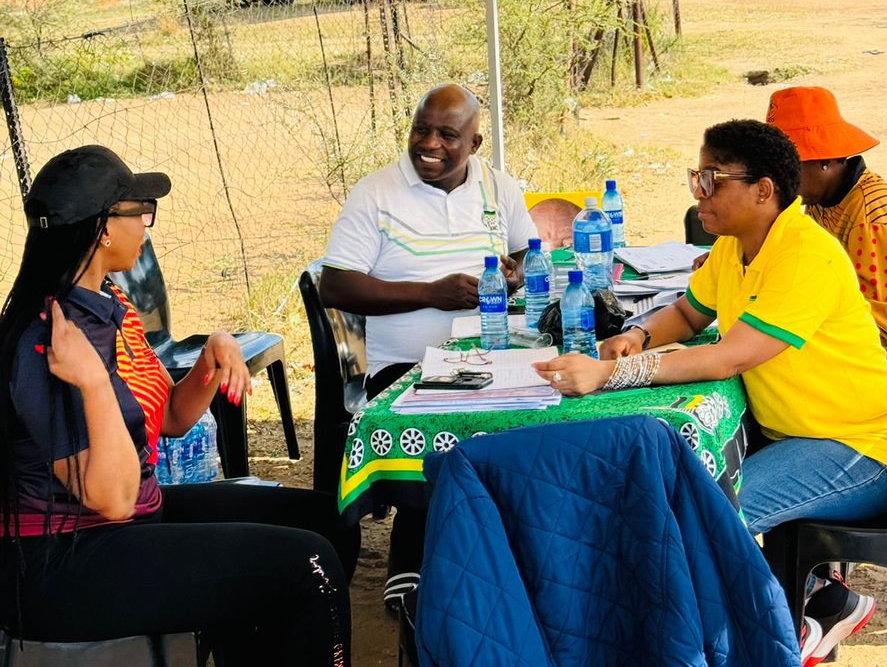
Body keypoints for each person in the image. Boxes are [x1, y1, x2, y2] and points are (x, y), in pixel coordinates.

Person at [535, 120, 887, 667]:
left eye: (712, 179)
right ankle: (816, 605)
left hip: (861, 448)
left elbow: (730, 356)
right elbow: (686, 312)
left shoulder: (806, 256)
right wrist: (635, 336)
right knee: (675, 484)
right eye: (696, 177)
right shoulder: (734, 247)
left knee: (705, 511)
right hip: (791, 436)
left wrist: (608, 376)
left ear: (763, 190)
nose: (699, 193)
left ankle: (766, 634)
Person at [0, 145, 355, 666]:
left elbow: (170, 418)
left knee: (331, 517)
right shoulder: (48, 342)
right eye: (139, 212)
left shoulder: (108, 303)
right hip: (62, 563)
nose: (147, 225)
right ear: (103, 229)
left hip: (130, 520)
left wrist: (214, 354)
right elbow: (112, 499)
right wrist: (96, 385)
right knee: (308, 562)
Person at [320, 83, 536, 610]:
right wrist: (431, 294)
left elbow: (526, 257)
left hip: (490, 353)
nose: (429, 144)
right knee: (446, 431)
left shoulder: (498, 188)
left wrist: (515, 274)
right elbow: (336, 285)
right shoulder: (375, 193)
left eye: (447, 134)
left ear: (475, 144)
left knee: (539, 416)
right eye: (421, 129)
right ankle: (413, 559)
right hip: (405, 369)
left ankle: (505, 559)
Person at [766, 85, 887, 378]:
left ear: (824, 160)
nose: (778, 181)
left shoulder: (871, 219)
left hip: (883, 366)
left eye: (788, 169)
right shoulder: (820, 199)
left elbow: (885, 331)